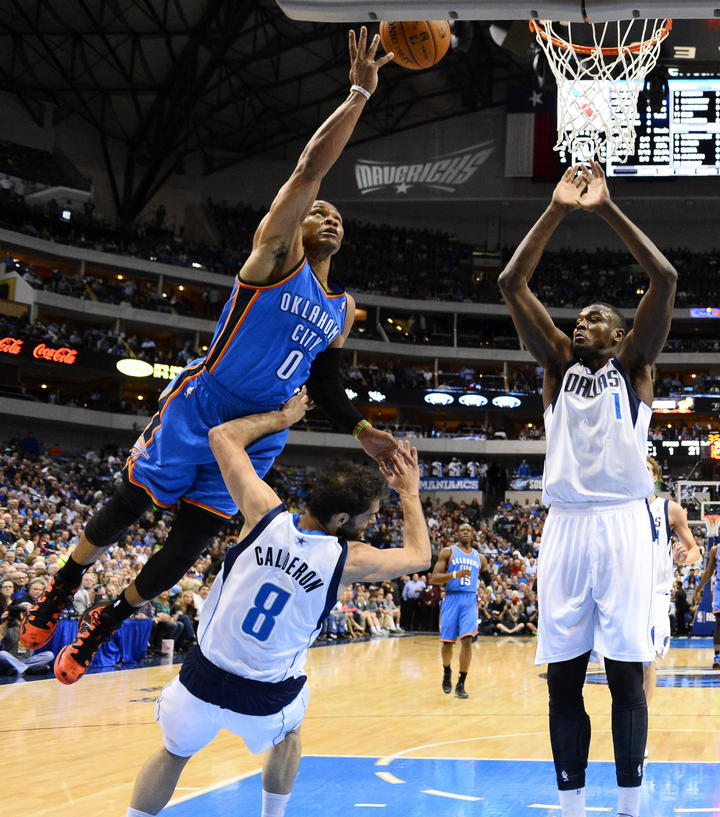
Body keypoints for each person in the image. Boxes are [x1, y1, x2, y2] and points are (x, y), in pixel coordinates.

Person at [21, 27, 401, 684]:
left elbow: (327, 382)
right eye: (321, 212)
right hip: (207, 401)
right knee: (131, 504)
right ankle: (64, 584)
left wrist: (363, 429)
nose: (331, 217)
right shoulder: (275, 257)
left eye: (339, 217)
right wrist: (359, 95)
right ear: (299, 222)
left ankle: (107, 619)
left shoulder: (343, 308)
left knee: (188, 545)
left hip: (261, 431)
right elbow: (309, 170)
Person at [124, 391, 429, 817]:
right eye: (371, 516)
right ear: (341, 520)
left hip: (200, 680)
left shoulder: (264, 513)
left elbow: (222, 437)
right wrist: (409, 493)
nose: (373, 522)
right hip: (265, 698)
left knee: (173, 753)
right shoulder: (348, 559)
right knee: (289, 735)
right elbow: (419, 556)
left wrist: (283, 418)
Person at [498, 162, 677, 817]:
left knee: (627, 676)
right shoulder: (555, 365)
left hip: (625, 522)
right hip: (567, 524)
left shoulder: (636, 366)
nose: (582, 321)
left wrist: (604, 208)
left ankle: (630, 807)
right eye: (578, 317)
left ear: (621, 334)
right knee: (563, 679)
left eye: (596, 317)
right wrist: (554, 208)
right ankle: (571, 808)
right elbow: (511, 282)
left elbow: (665, 278)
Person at [644, 457, 700, 709]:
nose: (642, 473)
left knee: (647, 660)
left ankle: (641, 722)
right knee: (623, 663)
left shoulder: (669, 509)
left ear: (655, 476)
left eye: (647, 469)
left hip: (656, 593)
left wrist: (683, 558)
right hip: (625, 592)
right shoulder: (621, 509)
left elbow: (694, 550)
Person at [429, 523, 485, 699]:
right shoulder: (448, 552)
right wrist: (454, 575)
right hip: (451, 598)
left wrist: (488, 589)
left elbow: (487, 576)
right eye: (462, 530)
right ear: (457, 533)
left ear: (472, 534)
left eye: (468, 530)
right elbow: (434, 578)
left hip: (469, 600)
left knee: (467, 640)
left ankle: (461, 683)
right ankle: (447, 672)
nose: (465, 533)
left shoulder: (480, 557)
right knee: (447, 643)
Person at [692, 542, 719, 669]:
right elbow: (709, 572)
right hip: (719, 590)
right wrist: (698, 589)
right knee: (719, 623)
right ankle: (718, 657)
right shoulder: (715, 550)